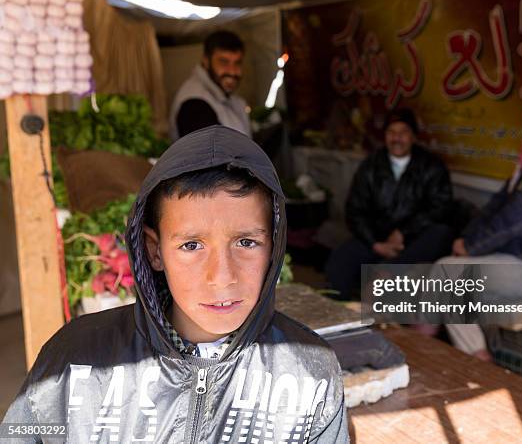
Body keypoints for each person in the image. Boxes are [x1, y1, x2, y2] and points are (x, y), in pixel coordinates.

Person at [2, 126, 348, 443]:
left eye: (245, 242)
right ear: (155, 251)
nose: (223, 276)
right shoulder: (74, 358)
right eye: (191, 246)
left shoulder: (310, 371)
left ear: (274, 246)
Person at [422, 92, 522, 360]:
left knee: (447, 272)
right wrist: (466, 240)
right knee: (450, 274)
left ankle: (472, 357)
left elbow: (510, 223)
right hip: (511, 262)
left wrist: (471, 246)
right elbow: (493, 208)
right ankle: (433, 342)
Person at [325, 108, 454, 300]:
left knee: (441, 233)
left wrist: (403, 232)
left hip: (413, 239)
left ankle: (389, 273)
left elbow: (440, 207)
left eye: (403, 132)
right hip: (377, 238)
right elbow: (355, 210)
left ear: (413, 136)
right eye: (391, 132)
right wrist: (376, 244)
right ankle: (340, 317)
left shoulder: (431, 166)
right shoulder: (370, 166)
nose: (397, 138)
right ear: (385, 136)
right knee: (340, 260)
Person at [169, 30, 251, 140]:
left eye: (237, 63)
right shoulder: (194, 104)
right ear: (206, 61)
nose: (232, 71)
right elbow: (209, 154)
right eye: (224, 62)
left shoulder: (224, 94)